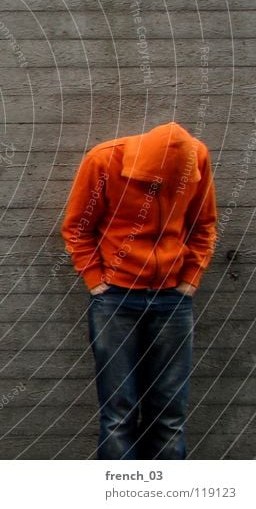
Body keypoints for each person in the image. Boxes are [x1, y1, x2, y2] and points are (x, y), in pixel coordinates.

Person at [61, 121, 217, 459]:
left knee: (170, 415)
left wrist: (190, 279)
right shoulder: (104, 160)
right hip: (116, 298)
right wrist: (95, 280)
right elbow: (77, 226)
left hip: (173, 299)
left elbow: (204, 224)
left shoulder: (197, 157)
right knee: (119, 414)